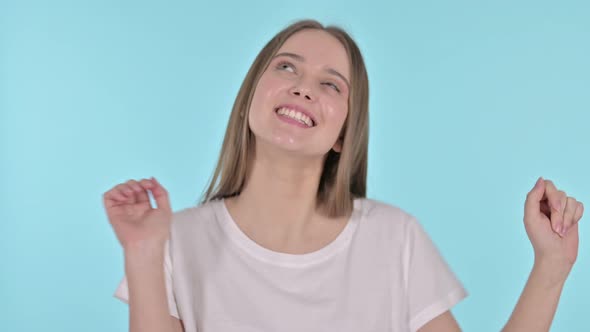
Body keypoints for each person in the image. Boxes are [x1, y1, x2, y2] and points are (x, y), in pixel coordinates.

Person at [103, 20, 585, 332]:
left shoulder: (393, 237)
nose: (302, 87)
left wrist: (551, 267)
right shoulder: (174, 240)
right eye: (287, 67)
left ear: (343, 135)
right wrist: (144, 254)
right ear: (252, 97)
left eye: (330, 83)